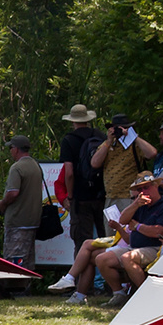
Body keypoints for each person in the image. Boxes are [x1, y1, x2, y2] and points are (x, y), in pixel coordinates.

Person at [95, 172, 163, 309]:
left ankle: (147, 296)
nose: (142, 192)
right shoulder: (140, 205)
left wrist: (137, 226)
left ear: (155, 186)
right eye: (139, 189)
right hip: (134, 247)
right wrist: (135, 204)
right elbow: (122, 220)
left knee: (128, 258)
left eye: (146, 187)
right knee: (101, 259)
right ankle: (119, 295)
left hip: (156, 248)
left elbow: (157, 232)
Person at [57, 104, 107, 263]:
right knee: (106, 240)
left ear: (72, 121)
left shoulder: (69, 140)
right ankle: (108, 283)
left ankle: (82, 285)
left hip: (80, 198)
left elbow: (69, 172)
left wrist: (70, 196)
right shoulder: (101, 136)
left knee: (81, 242)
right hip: (102, 195)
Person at [90, 113, 156, 212]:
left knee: (127, 227)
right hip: (111, 196)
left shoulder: (135, 145)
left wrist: (133, 136)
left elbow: (152, 153)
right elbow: (95, 163)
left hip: (129, 196)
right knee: (111, 226)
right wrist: (108, 141)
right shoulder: (107, 145)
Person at [0, 135, 44, 270]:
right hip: (33, 220)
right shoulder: (36, 166)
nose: (10, 151)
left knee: (14, 258)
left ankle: (14, 287)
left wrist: (2, 204)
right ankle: (25, 288)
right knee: (28, 259)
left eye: (11, 148)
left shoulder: (17, 168)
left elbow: (13, 192)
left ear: (16, 149)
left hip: (17, 220)